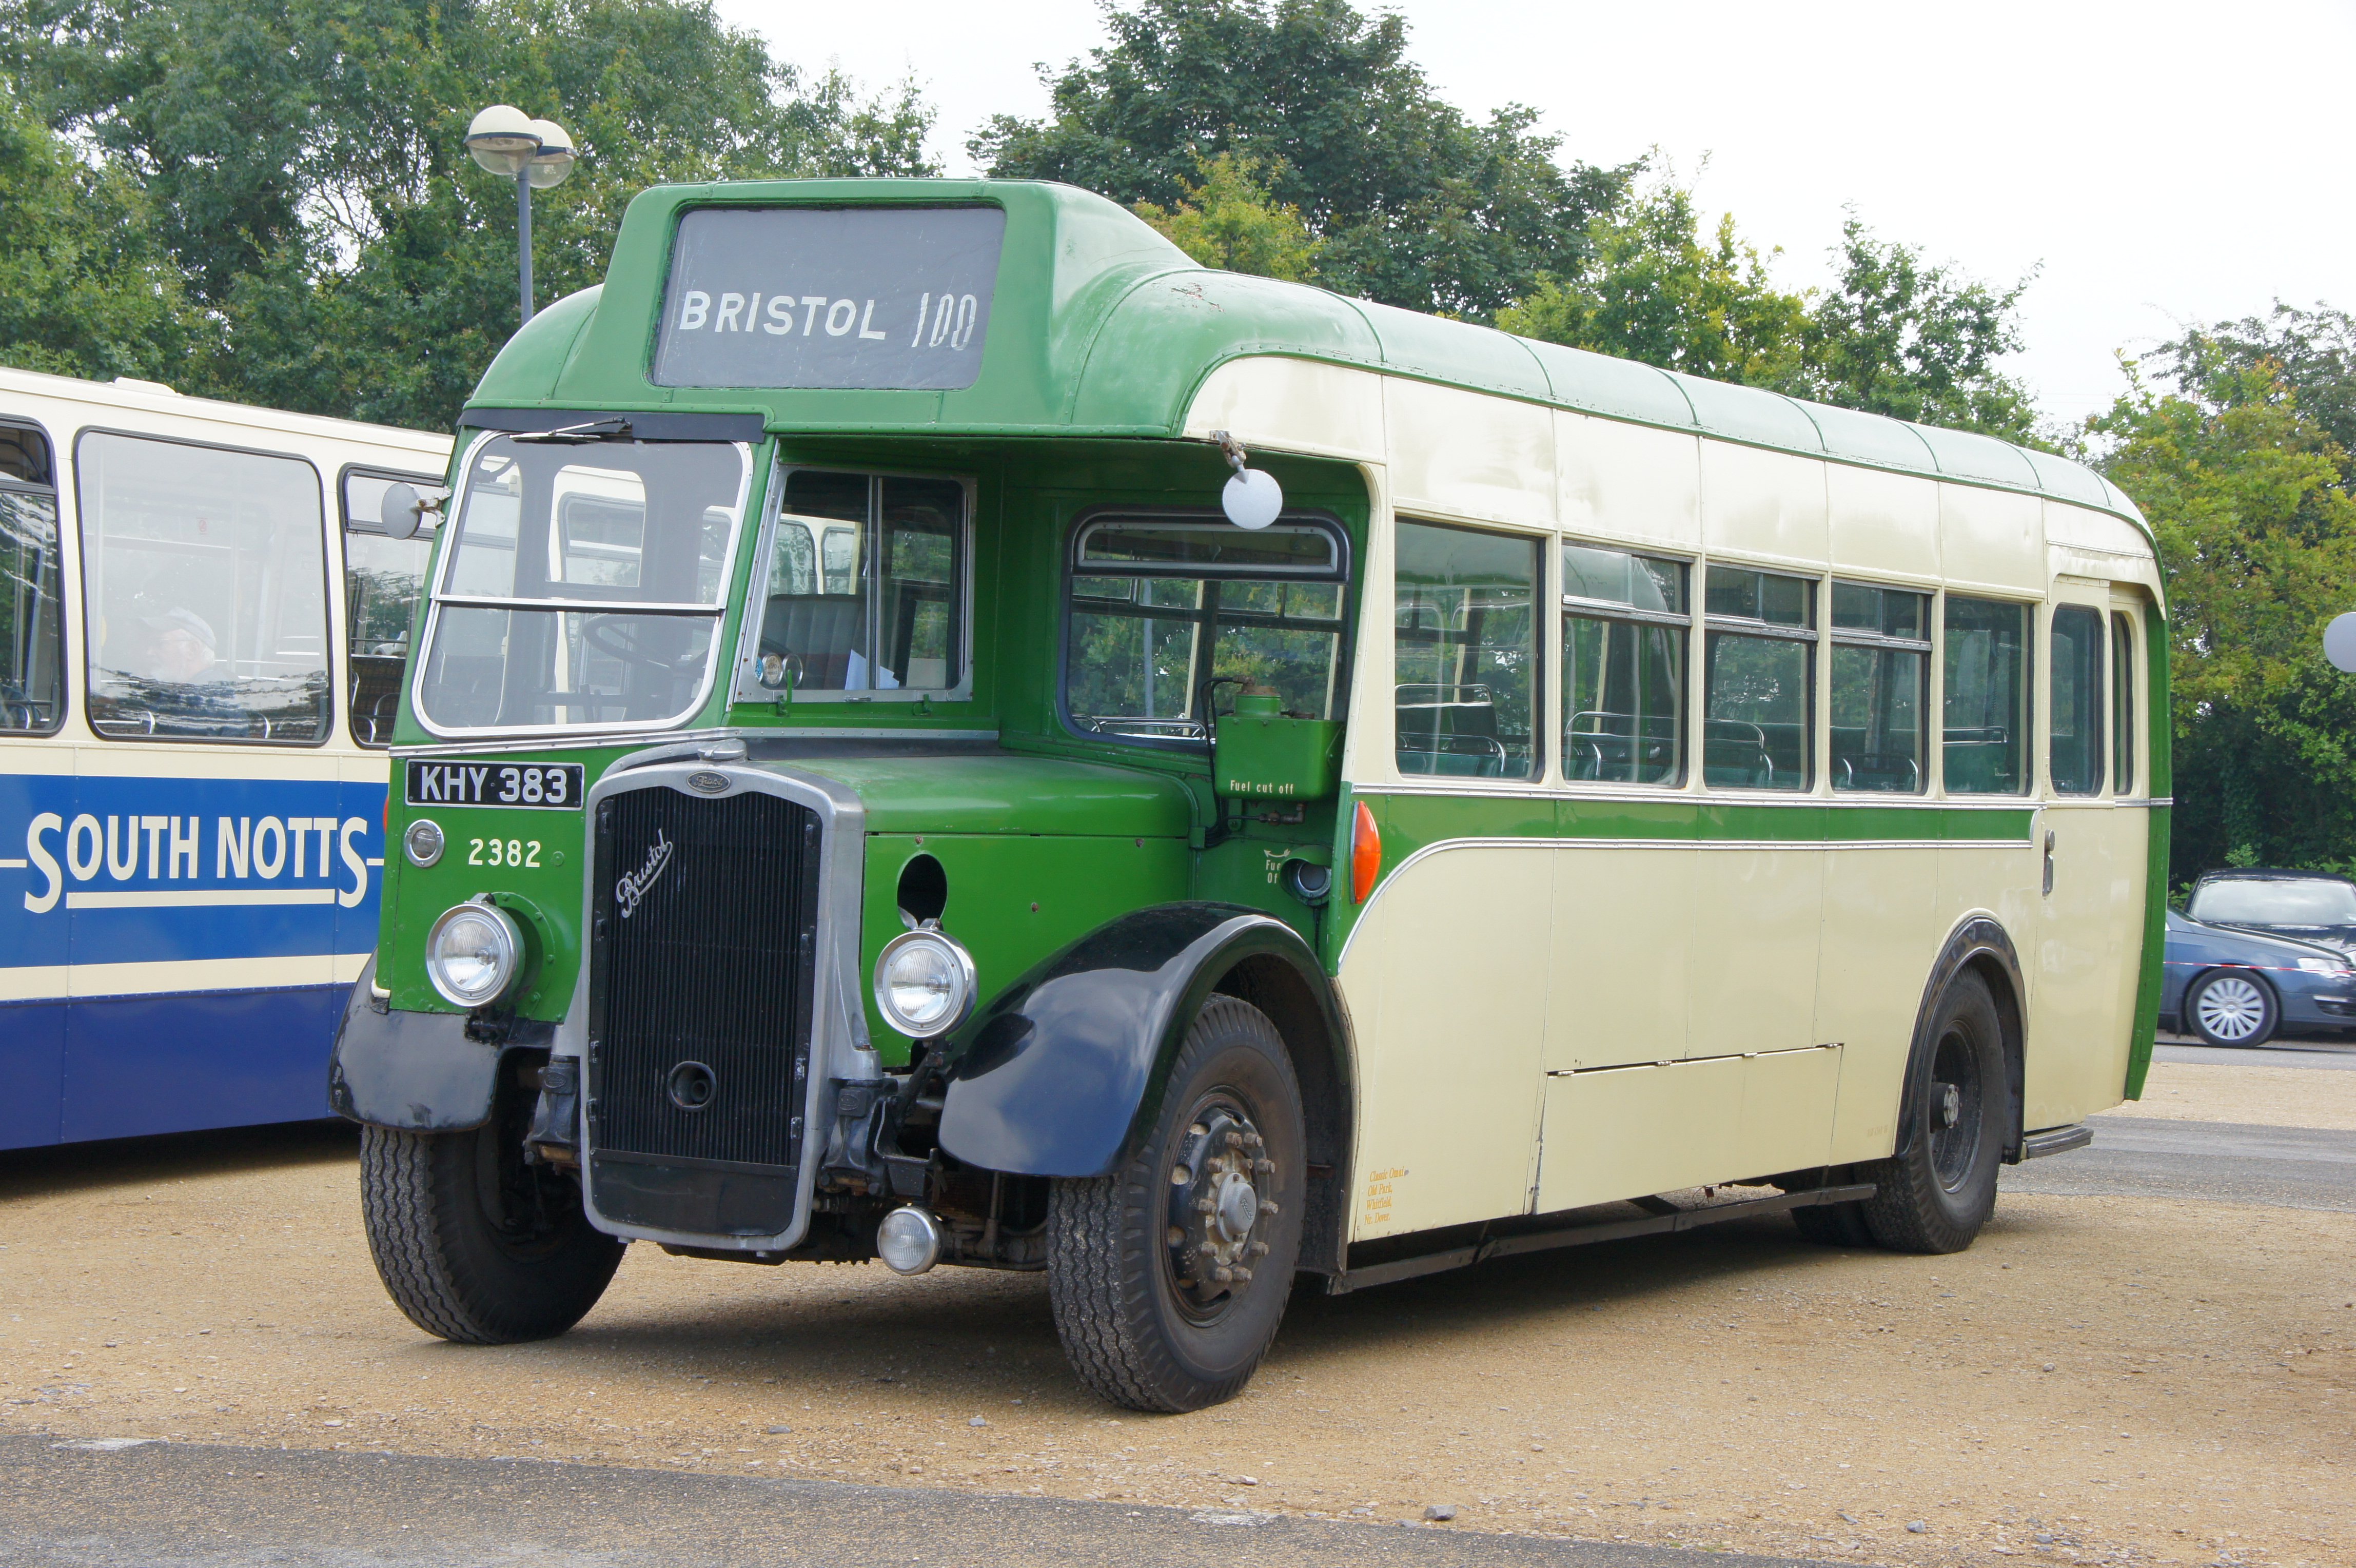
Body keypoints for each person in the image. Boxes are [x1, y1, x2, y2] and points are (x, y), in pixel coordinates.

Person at [141, 607, 219, 683]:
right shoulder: (210, 689)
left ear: (192, 650)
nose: (149, 652)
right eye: (149, 644)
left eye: (160, 644)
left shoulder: (210, 693)